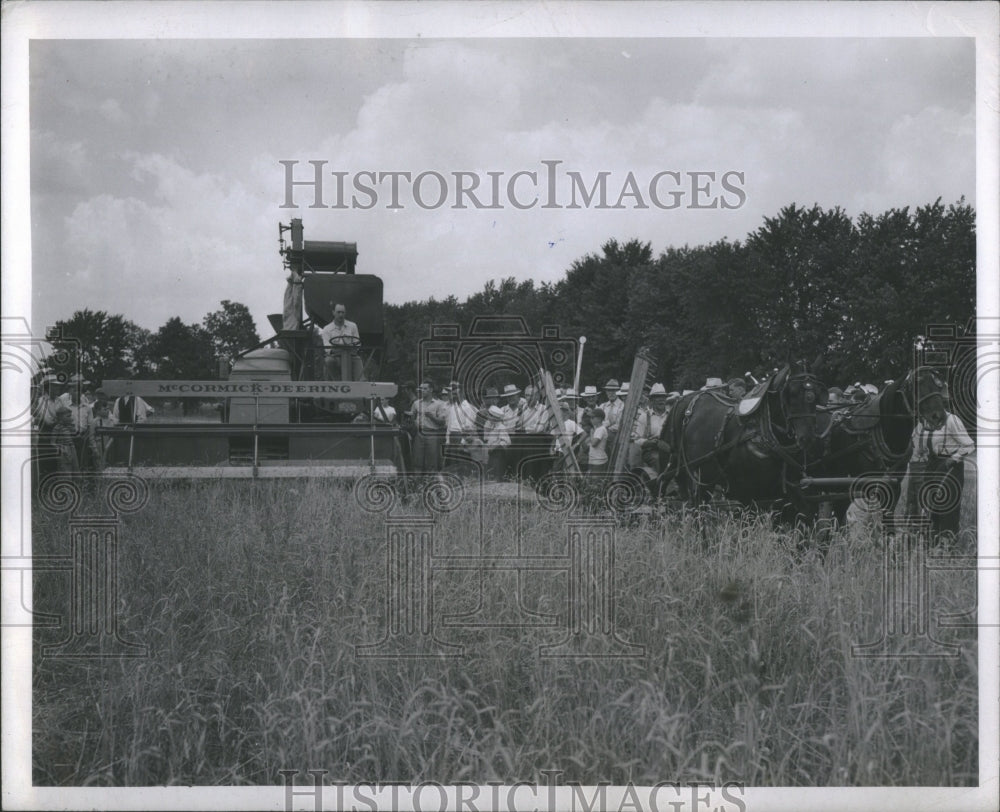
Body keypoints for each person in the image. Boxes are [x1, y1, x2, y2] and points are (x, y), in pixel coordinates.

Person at [905, 398, 975, 540]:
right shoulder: (923, 423)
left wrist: (953, 459)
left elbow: (969, 445)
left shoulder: (952, 420)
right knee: (931, 505)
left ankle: (948, 545)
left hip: (951, 467)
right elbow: (916, 446)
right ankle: (933, 543)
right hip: (931, 465)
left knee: (948, 506)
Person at [407, 381, 447, 473]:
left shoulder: (439, 404)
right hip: (419, 434)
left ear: (431, 390)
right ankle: (417, 484)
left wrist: (432, 417)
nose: (422, 390)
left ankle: (431, 484)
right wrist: (412, 422)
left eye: (425, 388)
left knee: (432, 461)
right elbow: (411, 418)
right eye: (421, 388)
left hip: (432, 434)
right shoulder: (416, 403)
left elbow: (442, 422)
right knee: (417, 460)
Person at [319, 302, 364, 381]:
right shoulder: (327, 329)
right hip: (335, 357)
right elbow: (327, 348)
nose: (341, 315)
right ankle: (335, 384)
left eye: (343, 312)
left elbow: (358, 343)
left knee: (358, 360)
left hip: (351, 356)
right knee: (328, 361)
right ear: (333, 313)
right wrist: (339, 349)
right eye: (338, 312)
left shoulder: (352, 326)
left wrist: (352, 348)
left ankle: (361, 383)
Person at [631, 383, 671, 470]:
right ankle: (662, 482)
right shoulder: (645, 416)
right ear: (652, 400)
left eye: (663, 397)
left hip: (670, 450)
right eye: (658, 397)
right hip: (651, 451)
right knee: (659, 460)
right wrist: (650, 442)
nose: (661, 400)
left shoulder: (670, 415)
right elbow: (636, 440)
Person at [483, 404, 511, 480]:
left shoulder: (501, 427)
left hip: (498, 453)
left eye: (490, 416)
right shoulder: (491, 426)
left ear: (494, 417)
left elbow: (506, 442)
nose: (488, 418)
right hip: (491, 452)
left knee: (497, 465)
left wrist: (495, 446)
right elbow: (486, 439)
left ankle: (498, 477)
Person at [586, 407, 610, 475]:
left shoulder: (601, 429)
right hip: (593, 459)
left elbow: (594, 443)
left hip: (599, 460)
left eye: (593, 418)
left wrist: (591, 434)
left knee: (595, 482)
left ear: (599, 419)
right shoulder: (597, 429)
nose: (591, 420)